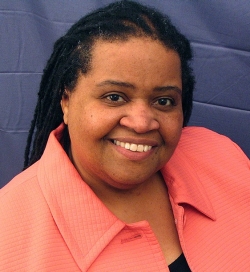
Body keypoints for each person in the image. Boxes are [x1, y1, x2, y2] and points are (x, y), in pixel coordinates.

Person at [0, 1, 249, 271]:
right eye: (114, 97)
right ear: (66, 101)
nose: (142, 123)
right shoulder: (8, 235)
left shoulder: (224, 158)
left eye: (164, 101)